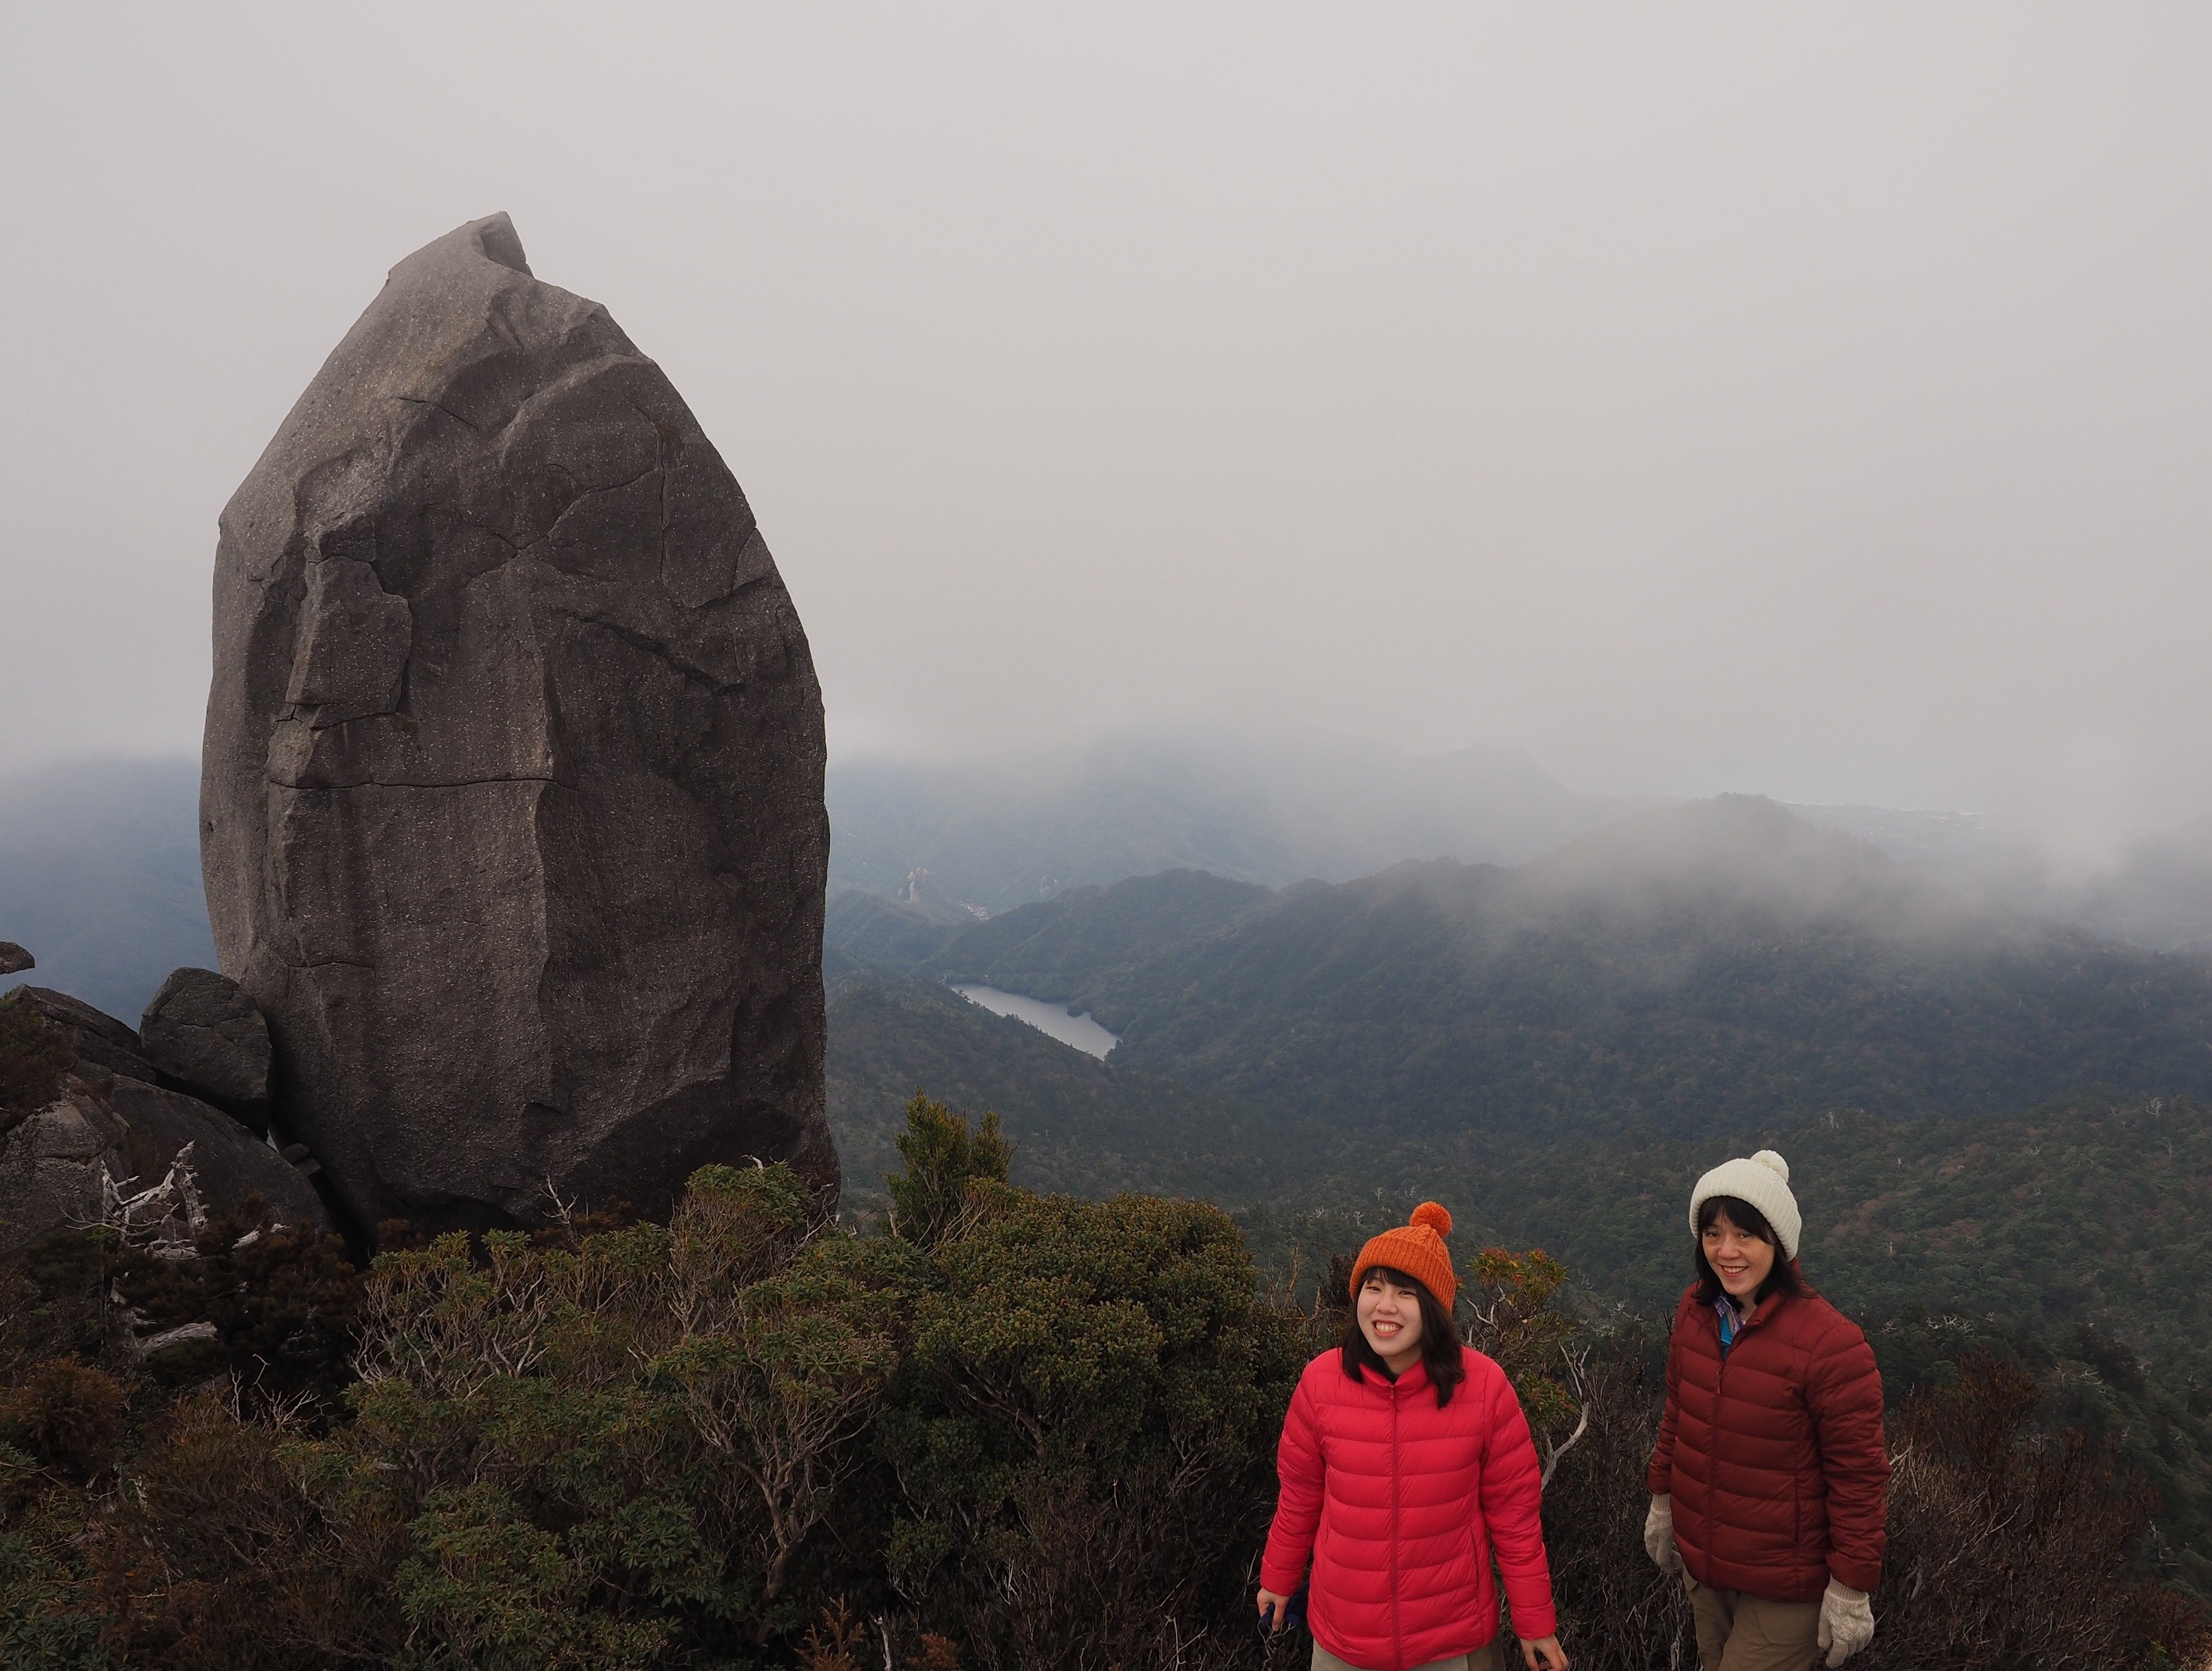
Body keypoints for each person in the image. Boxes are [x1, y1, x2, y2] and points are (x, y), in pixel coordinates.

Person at [1258, 1201, 1569, 1671]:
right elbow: (1300, 1496)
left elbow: (1515, 1519)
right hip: (1345, 1639)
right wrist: (1278, 1578)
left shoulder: (1483, 1388)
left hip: (1453, 1640)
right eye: (1374, 1287)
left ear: (1434, 1308)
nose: (1385, 1306)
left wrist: (1535, 1622)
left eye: (1406, 1293)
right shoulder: (1321, 1383)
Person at [1645, 1150, 1889, 1670]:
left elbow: (1858, 1477)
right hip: (1705, 1567)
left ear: (1777, 1243)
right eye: (1712, 1233)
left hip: (1785, 1584)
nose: (1726, 1251)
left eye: (1745, 1236)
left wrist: (1850, 1589)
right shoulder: (1694, 1313)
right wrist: (1662, 1500)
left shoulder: (1831, 1344)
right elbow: (1677, 1417)